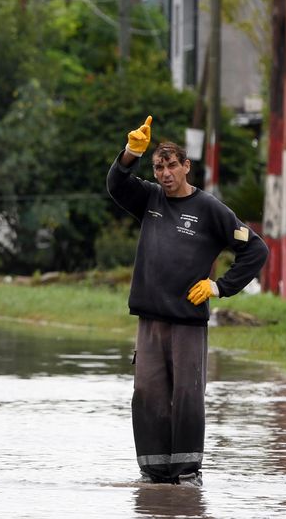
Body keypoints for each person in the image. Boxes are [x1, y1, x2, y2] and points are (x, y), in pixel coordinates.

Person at [107, 115, 269, 487]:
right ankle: (153, 474)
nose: (164, 174)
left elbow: (255, 250)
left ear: (186, 167)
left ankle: (187, 472)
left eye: (171, 166)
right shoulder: (149, 199)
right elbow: (116, 184)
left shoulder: (210, 209)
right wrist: (130, 153)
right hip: (150, 321)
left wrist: (219, 287)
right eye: (158, 167)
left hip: (188, 323)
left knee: (187, 395)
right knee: (147, 393)